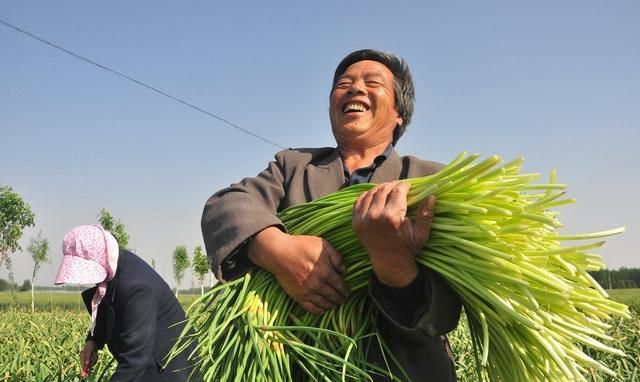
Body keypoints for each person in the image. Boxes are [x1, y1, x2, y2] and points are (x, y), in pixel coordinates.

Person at [201, 49, 462, 381]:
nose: (354, 89)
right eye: (344, 83)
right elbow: (225, 206)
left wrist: (392, 264)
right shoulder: (292, 166)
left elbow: (443, 315)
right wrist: (275, 249)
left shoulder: (429, 183)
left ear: (399, 113)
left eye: (372, 82)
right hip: (298, 370)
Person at [54, 224, 198, 382]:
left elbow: (134, 362)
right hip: (150, 361)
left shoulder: (138, 290)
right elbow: (106, 304)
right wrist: (93, 340)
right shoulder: (113, 267)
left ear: (101, 258)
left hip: (169, 371)